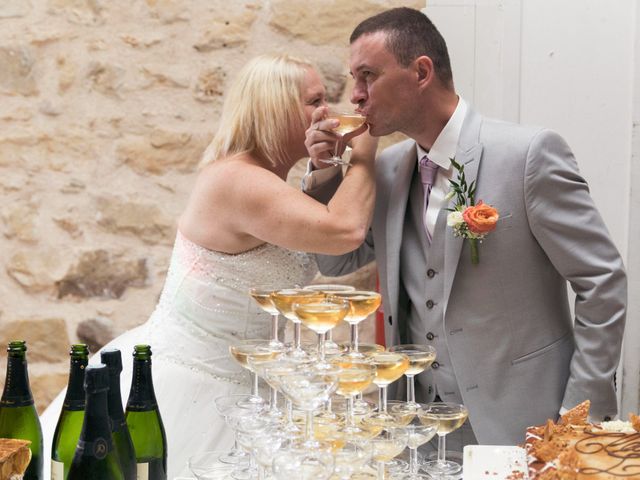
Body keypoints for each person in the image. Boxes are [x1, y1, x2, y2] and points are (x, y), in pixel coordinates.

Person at [40, 53, 377, 478]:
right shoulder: (237, 181)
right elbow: (344, 231)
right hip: (195, 386)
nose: (326, 111)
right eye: (314, 101)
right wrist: (367, 147)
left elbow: (322, 240)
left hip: (253, 385)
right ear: (275, 109)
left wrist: (325, 168)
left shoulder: (262, 180)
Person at [304, 7, 627, 449]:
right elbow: (334, 258)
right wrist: (325, 174)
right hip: (415, 431)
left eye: (367, 76)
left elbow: (602, 281)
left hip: (526, 426)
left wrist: (577, 417)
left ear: (421, 72)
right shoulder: (386, 170)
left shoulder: (528, 155)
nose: (355, 96)